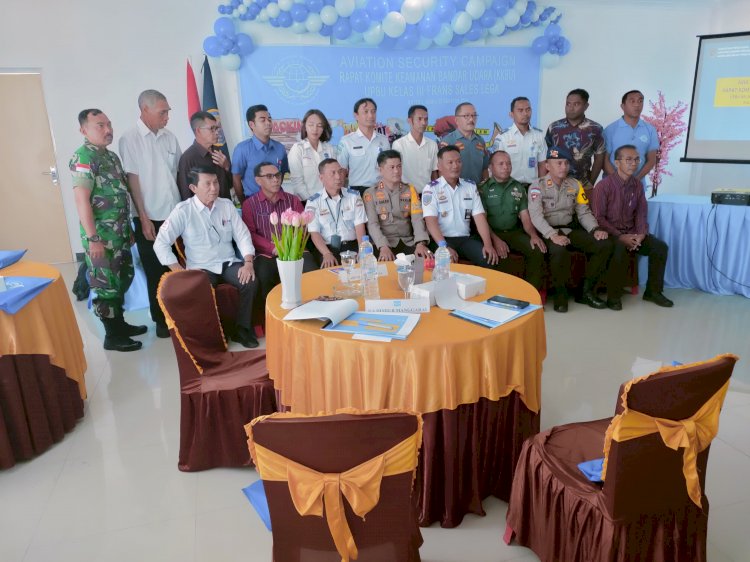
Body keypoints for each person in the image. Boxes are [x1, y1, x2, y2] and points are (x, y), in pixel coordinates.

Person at [154, 166, 260, 348]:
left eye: (216, 182)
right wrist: (178, 271)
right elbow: (160, 243)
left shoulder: (226, 205)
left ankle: (242, 330)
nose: (214, 188)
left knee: (249, 281)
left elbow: (242, 235)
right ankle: (212, 336)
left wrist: (248, 262)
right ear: (194, 188)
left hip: (227, 263)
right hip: (200, 267)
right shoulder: (183, 210)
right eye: (208, 184)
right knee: (200, 288)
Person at [70, 109, 146, 352]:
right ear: (84, 130)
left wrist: (128, 229)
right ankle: (112, 336)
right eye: (99, 125)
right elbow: (82, 200)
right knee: (105, 284)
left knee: (122, 278)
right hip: (101, 237)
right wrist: (93, 239)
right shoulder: (83, 157)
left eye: (109, 124)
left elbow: (121, 193)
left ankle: (120, 324)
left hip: (120, 234)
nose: (107, 129)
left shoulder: (111, 157)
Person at [119, 89, 181, 338]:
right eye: (162, 112)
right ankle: (160, 321)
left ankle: (179, 316)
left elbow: (175, 175)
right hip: (149, 216)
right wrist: (142, 217)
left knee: (176, 269)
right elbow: (132, 180)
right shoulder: (130, 139)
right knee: (155, 271)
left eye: (167, 112)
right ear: (145, 110)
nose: (167, 117)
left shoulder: (169, 137)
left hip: (173, 213)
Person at [528, 147, 615, 312]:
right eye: (559, 163)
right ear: (547, 165)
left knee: (604, 244)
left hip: (568, 229)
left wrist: (595, 229)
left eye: (566, 163)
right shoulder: (537, 187)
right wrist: (552, 235)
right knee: (559, 250)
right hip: (547, 231)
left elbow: (584, 212)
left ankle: (585, 292)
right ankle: (560, 297)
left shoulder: (575, 185)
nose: (563, 167)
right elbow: (536, 216)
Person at [593, 145, 673, 308]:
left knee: (660, 247)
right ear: (617, 162)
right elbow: (599, 218)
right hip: (612, 234)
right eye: (628, 159)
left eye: (636, 159)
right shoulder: (603, 186)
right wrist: (621, 237)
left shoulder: (637, 185)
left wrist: (641, 235)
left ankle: (653, 292)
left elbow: (641, 214)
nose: (633, 163)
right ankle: (614, 297)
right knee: (619, 249)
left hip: (634, 234)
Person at [241, 162, 317, 324]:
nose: (276, 180)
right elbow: (250, 235)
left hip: (295, 251)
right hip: (267, 253)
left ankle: (310, 315)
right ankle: (274, 320)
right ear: (258, 180)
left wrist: (291, 246)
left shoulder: (292, 200)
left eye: (278, 175)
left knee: (311, 270)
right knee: (263, 274)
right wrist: (273, 246)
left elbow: (302, 227)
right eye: (269, 176)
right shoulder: (249, 204)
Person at [421, 145, 499, 268]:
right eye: (450, 162)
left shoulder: (470, 186)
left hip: (465, 239)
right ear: (439, 166)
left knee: (489, 259)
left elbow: (479, 218)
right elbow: (431, 223)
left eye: (458, 161)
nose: (455, 166)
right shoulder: (431, 189)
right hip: (441, 240)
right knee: (445, 265)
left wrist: (488, 244)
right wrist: (444, 247)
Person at [479, 150, 546, 290]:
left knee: (536, 249)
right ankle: (501, 295)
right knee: (496, 255)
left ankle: (531, 293)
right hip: (491, 233)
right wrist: (495, 240)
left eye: (508, 164)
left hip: (513, 232)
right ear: (490, 168)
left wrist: (533, 235)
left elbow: (526, 218)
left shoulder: (519, 187)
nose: (506, 167)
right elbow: (481, 221)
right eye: (501, 164)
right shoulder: (482, 189)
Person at [362, 150, 431, 261]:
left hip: (408, 242)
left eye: (399, 166)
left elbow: (417, 219)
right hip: (384, 244)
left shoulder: (410, 190)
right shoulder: (370, 194)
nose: (396, 171)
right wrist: (382, 246)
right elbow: (372, 224)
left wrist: (420, 243)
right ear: (381, 170)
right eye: (392, 167)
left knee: (425, 261)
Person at [305, 158, 367, 268]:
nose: (338, 177)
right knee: (328, 270)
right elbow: (314, 233)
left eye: (340, 171)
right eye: (333, 173)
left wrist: (362, 251)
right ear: (321, 178)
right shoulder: (313, 201)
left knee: (362, 267)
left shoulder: (354, 196)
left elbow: (359, 226)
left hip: (351, 246)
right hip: (327, 248)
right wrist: (326, 254)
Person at [545, 89, 605, 188]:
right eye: (568, 104)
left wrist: (591, 183)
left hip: (582, 184)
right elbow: (547, 155)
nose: (571, 108)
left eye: (576, 104)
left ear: (586, 106)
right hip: (556, 184)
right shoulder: (554, 128)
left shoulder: (595, 129)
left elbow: (599, 158)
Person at [232, 104, 289, 201]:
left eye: (269, 119)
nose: (268, 123)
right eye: (263, 120)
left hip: (278, 200)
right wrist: (244, 203)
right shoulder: (242, 149)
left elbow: (282, 173)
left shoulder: (280, 148)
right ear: (252, 125)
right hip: (253, 202)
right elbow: (236, 178)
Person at [603, 90, 658, 186]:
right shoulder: (610, 129)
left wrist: (635, 180)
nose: (637, 105)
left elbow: (651, 160)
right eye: (632, 101)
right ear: (623, 106)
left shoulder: (650, 130)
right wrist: (619, 181)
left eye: (640, 101)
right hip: (611, 186)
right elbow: (604, 160)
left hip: (637, 186)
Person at [336, 98, 390, 196]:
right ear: (356, 115)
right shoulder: (347, 141)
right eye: (366, 112)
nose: (370, 115)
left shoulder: (383, 140)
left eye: (373, 112)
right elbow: (341, 172)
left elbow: (389, 168)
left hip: (381, 191)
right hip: (356, 192)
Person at [491, 96, 547, 187]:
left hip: (533, 187)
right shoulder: (503, 137)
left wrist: (541, 187)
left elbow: (542, 164)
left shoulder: (539, 136)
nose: (525, 113)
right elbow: (495, 165)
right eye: (520, 110)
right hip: (509, 187)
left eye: (528, 110)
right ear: (511, 114)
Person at [177, 111, 232, 201]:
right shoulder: (188, 158)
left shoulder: (219, 152)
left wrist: (227, 167)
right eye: (212, 129)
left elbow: (230, 185)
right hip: (204, 212)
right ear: (198, 131)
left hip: (225, 208)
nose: (217, 133)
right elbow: (186, 195)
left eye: (217, 129)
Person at [286, 109, 335, 204]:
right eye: (311, 125)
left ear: (324, 128)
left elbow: (334, 177)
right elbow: (297, 182)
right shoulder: (298, 149)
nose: (315, 129)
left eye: (319, 125)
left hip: (329, 202)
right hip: (306, 203)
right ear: (304, 127)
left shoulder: (329, 148)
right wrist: (312, 202)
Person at [392, 105, 438, 193]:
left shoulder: (432, 145)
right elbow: (395, 173)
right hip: (405, 196)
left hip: (428, 195)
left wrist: (436, 192)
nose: (424, 123)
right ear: (409, 120)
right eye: (419, 119)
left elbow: (434, 173)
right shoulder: (398, 144)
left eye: (426, 119)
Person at [439, 102, 489, 185]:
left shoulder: (480, 141)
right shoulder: (448, 141)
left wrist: (485, 187)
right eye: (466, 116)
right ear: (456, 120)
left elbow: (484, 169)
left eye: (474, 115)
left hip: (477, 192)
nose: (471, 119)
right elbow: (441, 171)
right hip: (456, 191)